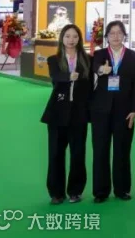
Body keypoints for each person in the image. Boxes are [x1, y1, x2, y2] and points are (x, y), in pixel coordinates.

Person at [90, 21, 135, 203]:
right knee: (100, 151)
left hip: (124, 111)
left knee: (122, 150)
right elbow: (94, 66)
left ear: (124, 35)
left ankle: (122, 189)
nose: (116, 36)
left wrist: (134, 110)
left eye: (119, 33)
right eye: (112, 33)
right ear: (106, 37)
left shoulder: (133, 56)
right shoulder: (100, 54)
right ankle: (100, 191)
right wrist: (101, 69)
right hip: (100, 110)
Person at [42, 24, 91, 204]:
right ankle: (56, 193)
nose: (71, 40)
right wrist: (68, 76)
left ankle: (75, 191)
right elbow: (55, 76)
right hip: (57, 114)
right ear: (62, 38)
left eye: (75, 36)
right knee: (55, 153)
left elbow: (93, 82)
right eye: (68, 36)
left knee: (78, 154)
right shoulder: (53, 59)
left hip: (79, 114)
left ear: (79, 39)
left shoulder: (88, 60)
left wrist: (102, 71)